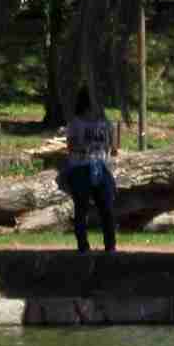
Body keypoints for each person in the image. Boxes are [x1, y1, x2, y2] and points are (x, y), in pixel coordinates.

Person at [60, 90, 117, 253]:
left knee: (107, 207)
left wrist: (110, 149)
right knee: (81, 207)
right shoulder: (76, 123)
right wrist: (84, 148)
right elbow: (70, 146)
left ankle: (110, 246)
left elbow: (112, 145)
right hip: (80, 167)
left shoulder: (105, 123)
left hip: (101, 166)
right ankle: (83, 246)